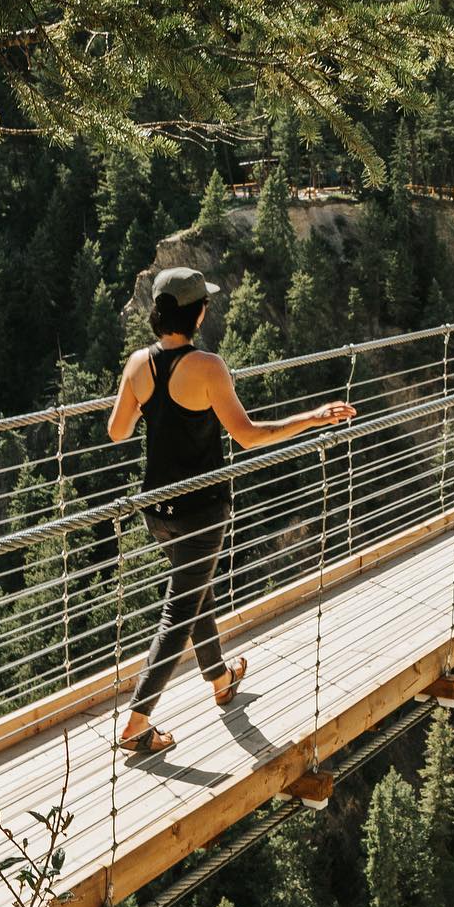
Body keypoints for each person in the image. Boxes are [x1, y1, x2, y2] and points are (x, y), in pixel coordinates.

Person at [106, 265, 357, 756]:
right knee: (180, 607)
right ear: (196, 315)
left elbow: (117, 431)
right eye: (205, 306)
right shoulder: (208, 367)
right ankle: (137, 721)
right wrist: (312, 418)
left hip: (155, 508)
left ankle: (220, 677)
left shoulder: (138, 364)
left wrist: (147, 406)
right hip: (201, 509)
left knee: (193, 585)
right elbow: (248, 436)